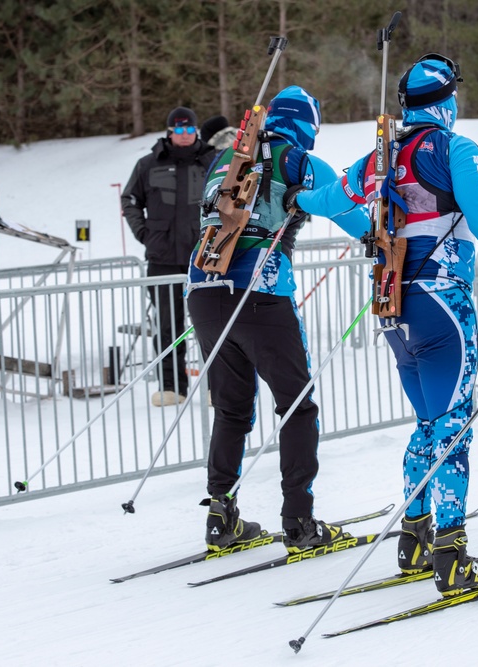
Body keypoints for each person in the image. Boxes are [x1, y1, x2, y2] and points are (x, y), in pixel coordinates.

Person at [289, 55, 478, 597]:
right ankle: (452, 556)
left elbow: (330, 199)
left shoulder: (382, 155)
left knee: (427, 424)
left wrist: (294, 197)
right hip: (442, 301)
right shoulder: (456, 149)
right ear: (448, 101)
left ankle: (415, 539)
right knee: (453, 428)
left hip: (393, 302)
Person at [186, 86, 370, 553]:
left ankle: (220, 517)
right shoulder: (297, 160)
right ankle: (299, 523)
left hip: (204, 288)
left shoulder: (228, 157)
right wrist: (377, 237)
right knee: (296, 406)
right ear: (308, 125)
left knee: (231, 408)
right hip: (260, 293)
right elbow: (347, 209)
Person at [122, 106, 218, 406]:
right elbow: (130, 200)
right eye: (179, 130)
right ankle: (172, 387)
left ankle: (218, 386)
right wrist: (144, 233)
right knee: (167, 326)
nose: (185, 135)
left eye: (190, 129)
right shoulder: (148, 164)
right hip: (162, 257)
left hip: (204, 257)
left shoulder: (213, 161)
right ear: (170, 132)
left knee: (212, 322)